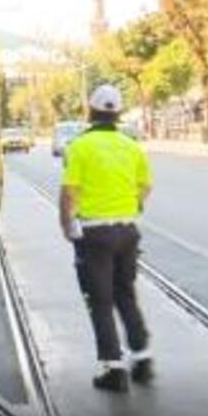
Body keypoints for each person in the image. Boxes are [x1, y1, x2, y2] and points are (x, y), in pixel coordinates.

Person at [60, 84, 153, 393]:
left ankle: (113, 370)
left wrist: (67, 225)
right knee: (125, 292)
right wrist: (132, 206)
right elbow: (144, 187)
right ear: (118, 113)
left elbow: (69, 192)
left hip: (95, 234)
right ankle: (142, 359)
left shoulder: (80, 147)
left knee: (100, 300)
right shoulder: (132, 146)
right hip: (127, 232)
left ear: (90, 111)